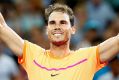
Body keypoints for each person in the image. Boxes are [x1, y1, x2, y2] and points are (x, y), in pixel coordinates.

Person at [0, 3, 119, 80]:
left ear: (73, 29)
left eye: (63, 22)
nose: (57, 26)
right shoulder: (33, 54)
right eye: (52, 23)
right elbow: (2, 27)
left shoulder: (87, 57)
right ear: (47, 30)